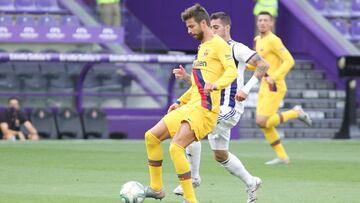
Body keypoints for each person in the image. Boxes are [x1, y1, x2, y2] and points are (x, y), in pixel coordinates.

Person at [143, 4, 238, 203]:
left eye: (192, 26)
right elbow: (197, 85)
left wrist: (217, 84)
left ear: (204, 23)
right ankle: (157, 188)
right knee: (151, 137)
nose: (189, 31)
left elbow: (232, 71)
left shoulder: (219, 44)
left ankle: (190, 200)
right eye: (187, 27)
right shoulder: (201, 48)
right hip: (191, 106)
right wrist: (180, 101)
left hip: (205, 110)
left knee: (175, 148)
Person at [172, 12, 269, 203]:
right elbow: (206, 84)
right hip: (212, 105)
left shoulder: (236, 48)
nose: (213, 30)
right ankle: (251, 182)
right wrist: (186, 78)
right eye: (211, 27)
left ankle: (193, 179)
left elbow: (263, 64)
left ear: (227, 28)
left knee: (191, 126)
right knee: (220, 155)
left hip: (228, 107)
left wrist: (246, 89)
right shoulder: (208, 49)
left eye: (216, 27)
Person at [253, 11, 312, 165]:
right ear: (257, 22)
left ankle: (295, 112)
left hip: (275, 85)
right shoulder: (258, 40)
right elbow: (257, 64)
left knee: (262, 121)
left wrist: (275, 76)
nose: (263, 23)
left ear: (271, 23)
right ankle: (282, 157)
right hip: (264, 84)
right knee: (264, 124)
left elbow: (289, 60)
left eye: (266, 20)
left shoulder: (274, 40)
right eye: (260, 20)